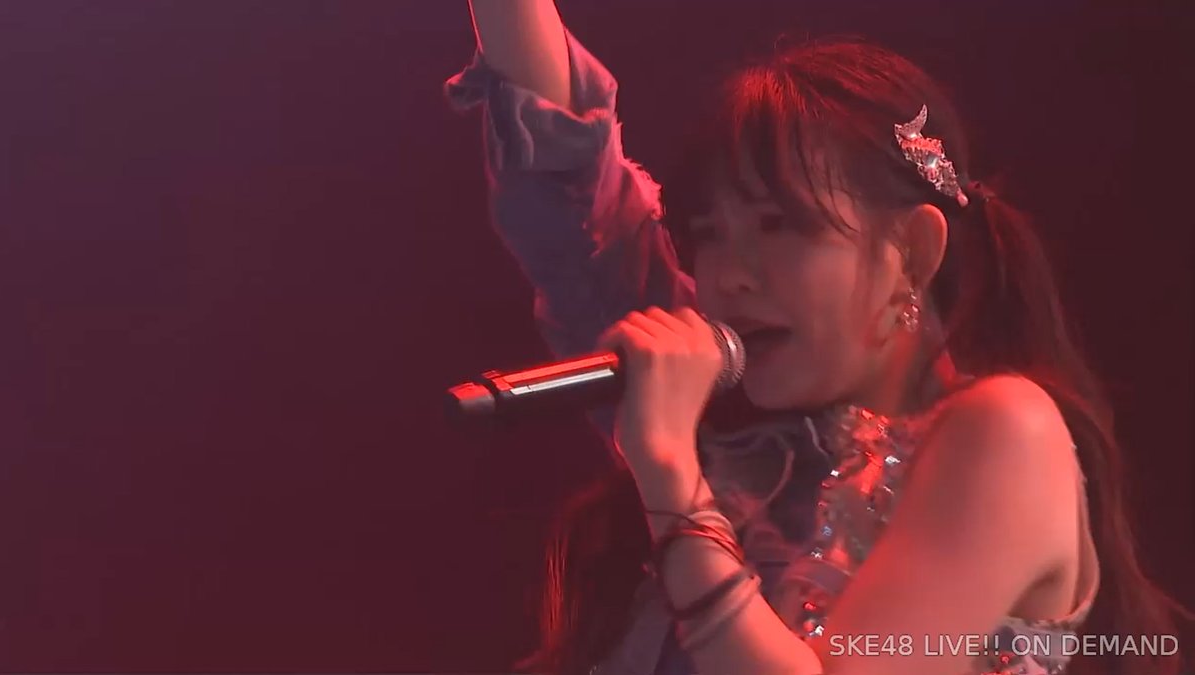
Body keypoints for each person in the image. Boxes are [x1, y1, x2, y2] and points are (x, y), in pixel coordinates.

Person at [445, 2, 1187, 674]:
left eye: (779, 226)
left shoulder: (1005, 433)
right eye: (709, 233)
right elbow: (572, 196)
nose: (729, 277)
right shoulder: (732, 427)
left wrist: (670, 473)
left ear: (912, 254)